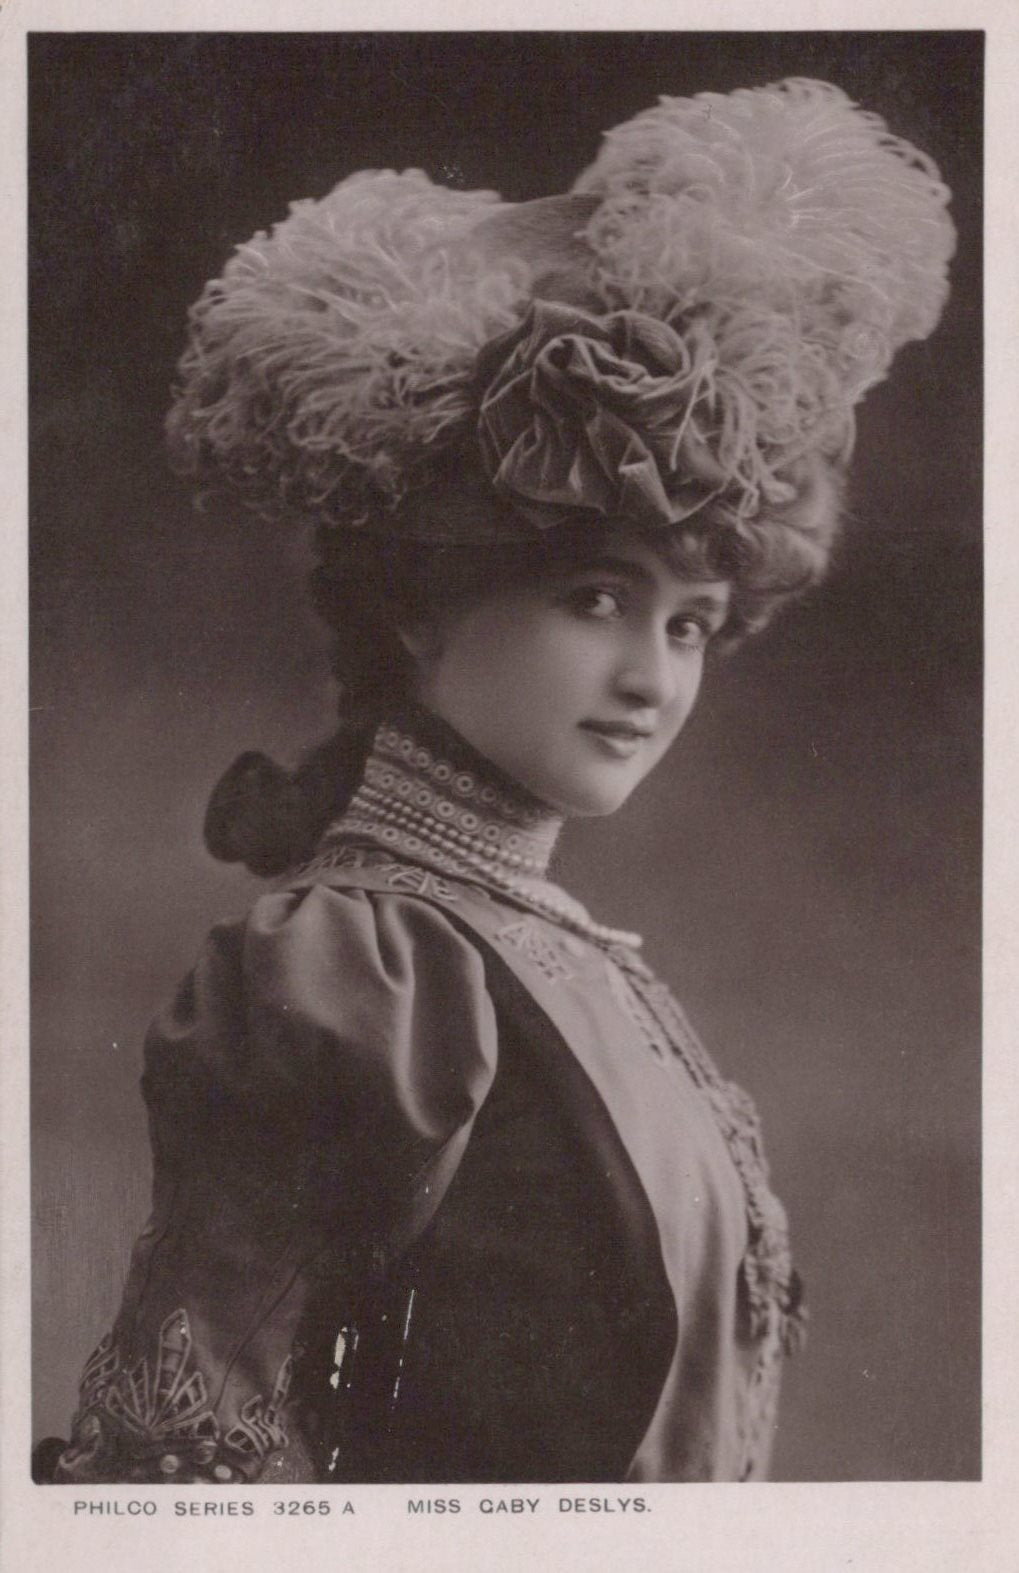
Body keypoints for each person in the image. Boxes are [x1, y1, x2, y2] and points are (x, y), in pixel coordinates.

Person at [42, 77, 954, 1485]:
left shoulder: (561, 954)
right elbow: (194, 1456)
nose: (654, 675)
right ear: (418, 607)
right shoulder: (365, 960)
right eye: (597, 597)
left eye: (690, 621)